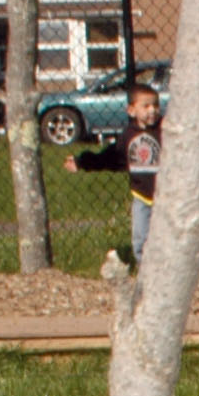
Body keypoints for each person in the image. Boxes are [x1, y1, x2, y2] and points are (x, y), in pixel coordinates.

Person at [71, 81, 161, 263]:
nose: (152, 110)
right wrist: (82, 162)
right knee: (140, 237)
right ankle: (145, 272)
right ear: (131, 110)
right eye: (146, 106)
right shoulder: (127, 136)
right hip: (142, 196)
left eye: (155, 105)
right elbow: (110, 158)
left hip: (168, 196)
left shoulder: (164, 131)